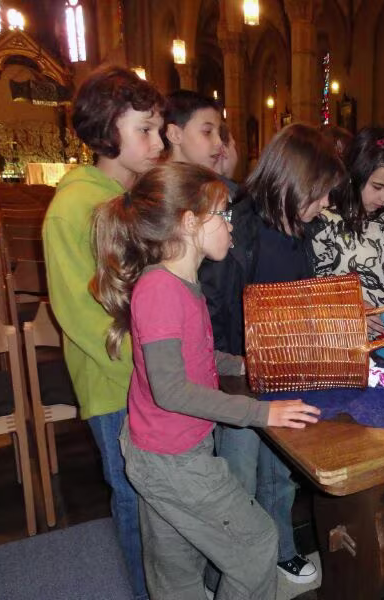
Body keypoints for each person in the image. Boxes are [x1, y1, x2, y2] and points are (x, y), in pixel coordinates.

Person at [91, 162, 320, 600]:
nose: (231, 226)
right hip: (172, 461)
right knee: (256, 545)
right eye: (223, 215)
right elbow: (171, 389)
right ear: (189, 223)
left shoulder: (180, 282)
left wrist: (238, 365)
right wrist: (260, 412)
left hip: (165, 452)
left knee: (176, 567)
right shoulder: (160, 290)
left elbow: (191, 356)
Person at [201, 124, 345, 586]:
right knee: (238, 477)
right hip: (239, 376)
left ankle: (281, 549)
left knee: (280, 474)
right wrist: (226, 368)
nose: (327, 203)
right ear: (293, 182)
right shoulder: (239, 230)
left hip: (283, 369)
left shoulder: (300, 229)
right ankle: (229, 569)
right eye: (321, 193)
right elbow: (213, 305)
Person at [42, 65, 164, 600]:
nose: (158, 142)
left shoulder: (137, 195)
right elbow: (78, 311)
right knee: (133, 496)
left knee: (160, 495)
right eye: (145, 130)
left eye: (158, 128)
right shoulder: (73, 206)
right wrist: (148, 360)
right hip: (114, 378)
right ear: (107, 130)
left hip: (156, 369)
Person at [311, 127, 384, 337]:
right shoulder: (324, 220)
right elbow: (312, 288)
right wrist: (349, 305)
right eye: (378, 187)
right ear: (355, 176)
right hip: (347, 340)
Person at [163, 90, 223, 173]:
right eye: (207, 132)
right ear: (175, 134)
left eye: (219, 133)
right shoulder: (159, 181)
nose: (219, 142)